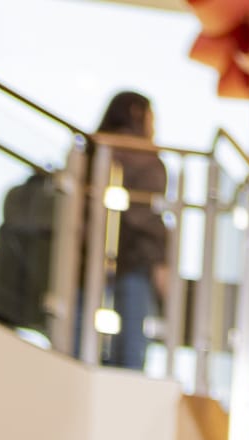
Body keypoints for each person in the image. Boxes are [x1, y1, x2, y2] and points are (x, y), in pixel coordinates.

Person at [91, 92, 165, 369]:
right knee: (131, 347)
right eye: (152, 118)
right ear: (137, 112)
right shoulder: (145, 157)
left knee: (77, 338)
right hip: (134, 260)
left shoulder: (91, 149)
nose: (154, 127)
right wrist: (160, 258)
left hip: (87, 257)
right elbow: (145, 216)